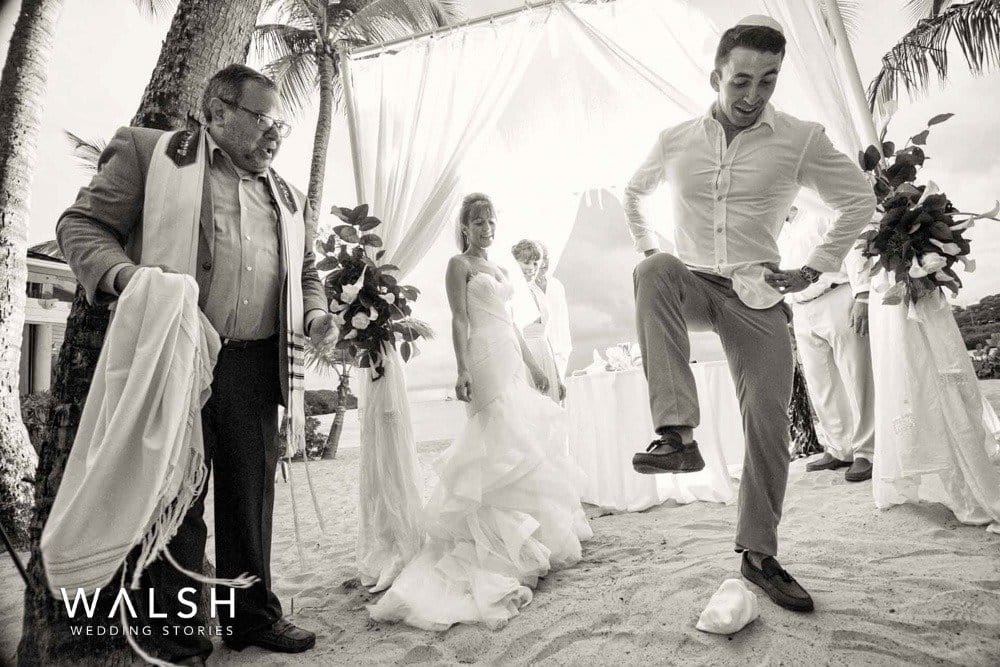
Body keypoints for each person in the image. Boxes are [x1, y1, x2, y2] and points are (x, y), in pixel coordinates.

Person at [56, 65, 335, 664]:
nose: (274, 132)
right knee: (175, 495)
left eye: (277, 120)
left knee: (250, 495)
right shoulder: (151, 154)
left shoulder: (287, 196)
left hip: (256, 363)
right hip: (175, 355)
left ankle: (252, 619)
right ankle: (177, 635)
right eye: (260, 118)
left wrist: (315, 316)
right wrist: (128, 280)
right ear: (215, 113)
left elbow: (305, 276)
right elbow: (79, 226)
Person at [623, 16, 875, 613]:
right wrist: (648, 243)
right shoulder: (674, 140)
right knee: (652, 270)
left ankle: (758, 555)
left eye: (767, 82)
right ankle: (677, 435)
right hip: (690, 281)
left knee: (767, 422)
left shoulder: (800, 138)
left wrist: (816, 266)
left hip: (757, 291)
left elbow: (858, 198)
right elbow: (633, 191)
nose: (752, 96)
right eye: (740, 81)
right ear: (716, 76)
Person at [368, 193, 592, 630]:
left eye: (491, 221)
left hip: (509, 351)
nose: (487, 228)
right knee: (494, 434)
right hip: (483, 355)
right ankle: (489, 542)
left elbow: (510, 321)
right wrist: (462, 369)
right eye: (478, 222)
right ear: (465, 228)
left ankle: (533, 537)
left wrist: (531, 364)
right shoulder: (460, 265)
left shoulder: (503, 270)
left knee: (521, 438)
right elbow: (458, 320)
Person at [782, 206, 875, 482]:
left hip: (837, 296)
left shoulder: (821, 213)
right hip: (801, 309)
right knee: (820, 383)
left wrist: (862, 295)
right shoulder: (779, 234)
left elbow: (852, 247)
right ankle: (839, 446)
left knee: (856, 375)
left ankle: (867, 451)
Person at [511, 238, 565, 403]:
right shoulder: (511, 293)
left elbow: (546, 335)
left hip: (546, 356)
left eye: (536, 263)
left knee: (554, 413)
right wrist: (534, 369)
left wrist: (557, 376)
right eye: (526, 262)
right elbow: (513, 331)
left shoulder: (537, 292)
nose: (531, 268)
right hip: (525, 360)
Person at [535, 242, 573, 380]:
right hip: (539, 352)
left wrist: (566, 349)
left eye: (546, 257)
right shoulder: (527, 287)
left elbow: (563, 319)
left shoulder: (556, 285)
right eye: (540, 258)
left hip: (560, 351)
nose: (544, 262)